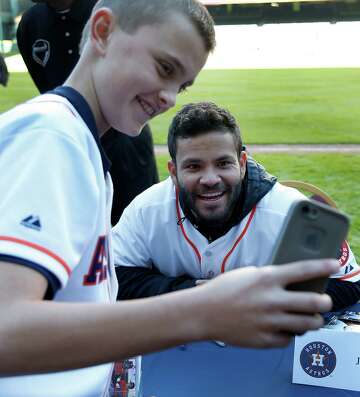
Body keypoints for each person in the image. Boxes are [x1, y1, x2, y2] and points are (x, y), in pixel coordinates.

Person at [0, 2, 338, 396]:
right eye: (164, 68)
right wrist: (203, 310)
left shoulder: (80, 144)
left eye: (181, 85)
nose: (169, 98)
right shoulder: (52, 137)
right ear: (103, 30)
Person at [113, 101, 360, 311]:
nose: (210, 179)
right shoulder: (146, 210)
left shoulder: (288, 210)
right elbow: (113, 277)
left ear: (242, 163)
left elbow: (349, 283)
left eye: (223, 163)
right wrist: (198, 293)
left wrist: (259, 298)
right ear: (173, 171)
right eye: (193, 166)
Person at [17, 0, 159, 225]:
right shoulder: (30, 23)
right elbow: (48, 88)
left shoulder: (112, 11)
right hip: (69, 147)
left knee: (136, 226)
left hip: (124, 145)